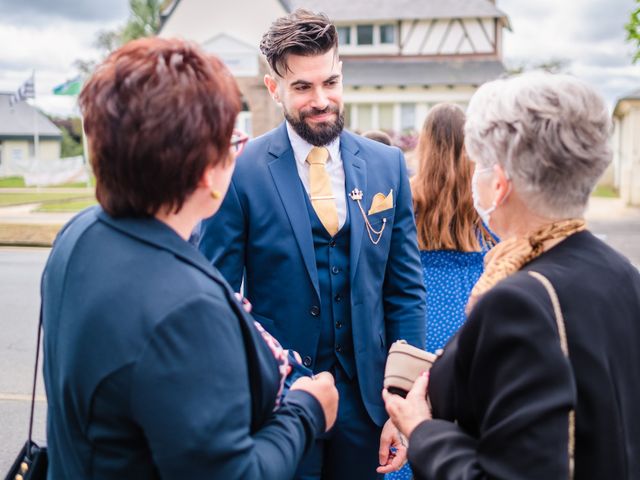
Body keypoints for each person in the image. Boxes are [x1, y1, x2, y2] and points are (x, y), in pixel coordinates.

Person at [41, 37, 338, 479]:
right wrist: (307, 410)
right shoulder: (186, 310)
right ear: (207, 175)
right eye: (231, 141)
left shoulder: (79, 234)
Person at [199, 9, 426, 480]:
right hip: (280, 404)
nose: (321, 100)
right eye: (302, 87)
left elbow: (404, 291)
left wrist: (400, 406)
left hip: (367, 406)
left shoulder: (387, 166)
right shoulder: (241, 172)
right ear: (273, 88)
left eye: (331, 82)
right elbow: (218, 300)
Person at [383, 72, 640, 479]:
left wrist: (422, 430)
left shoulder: (517, 302)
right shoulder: (624, 274)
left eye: (479, 166)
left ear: (499, 184)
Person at [385, 103, 495, 480]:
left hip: (416, 325)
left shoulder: (405, 199)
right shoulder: (484, 205)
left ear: (425, 145)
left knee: (410, 420)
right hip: (467, 326)